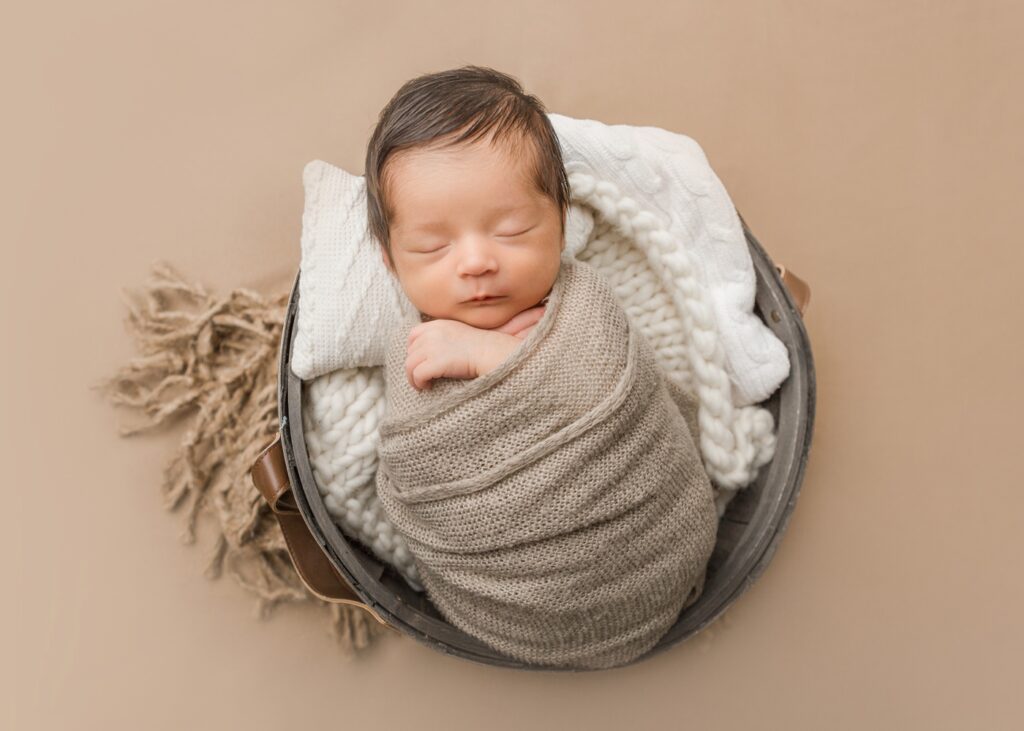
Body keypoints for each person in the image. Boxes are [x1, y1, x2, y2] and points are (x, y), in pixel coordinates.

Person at [364, 65, 571, 391]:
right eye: (431, 246)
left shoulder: (585, 310)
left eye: (511, 230)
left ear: (561, 225)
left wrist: (494, 355)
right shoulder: (411, 349)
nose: (476, 263)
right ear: (389, 259)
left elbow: (626, 400)